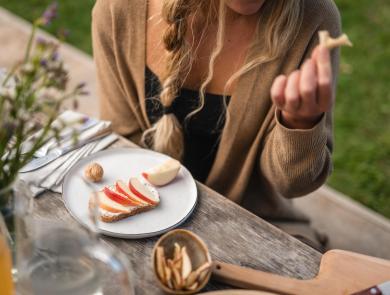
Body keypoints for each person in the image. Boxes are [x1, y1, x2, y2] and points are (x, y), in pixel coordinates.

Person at [92, 0, 341, 251]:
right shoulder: (120, 9)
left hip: (254, 224)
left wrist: (299, 123)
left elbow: (292, 184)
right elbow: (124, 145)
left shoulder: (313, 17)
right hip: (146, 213)